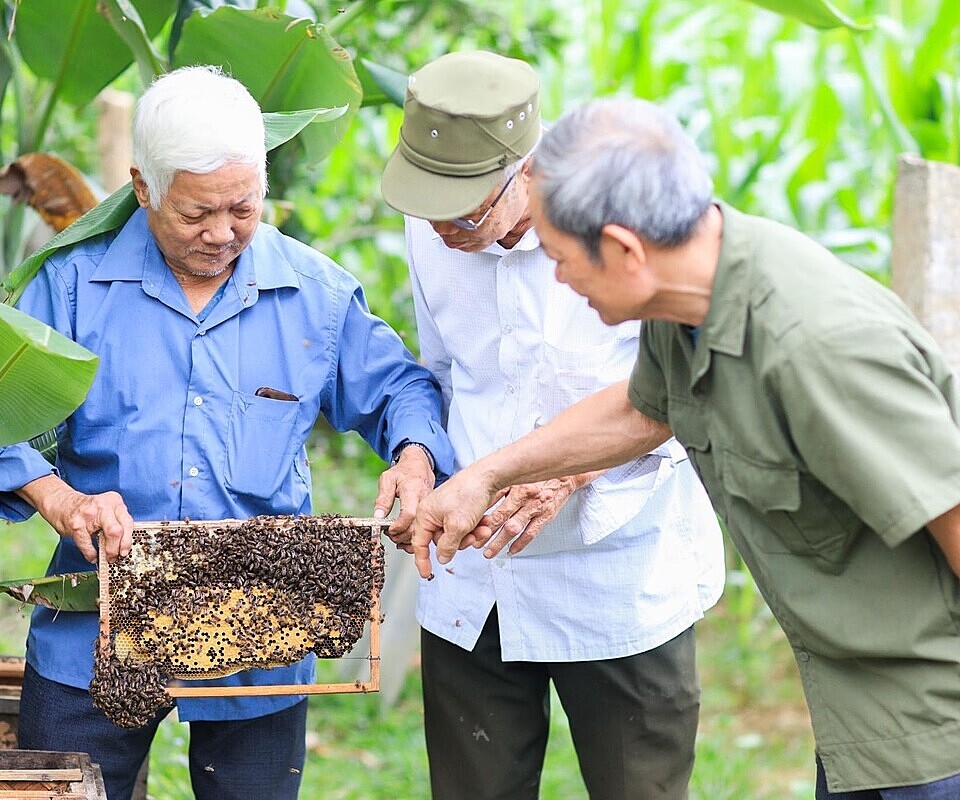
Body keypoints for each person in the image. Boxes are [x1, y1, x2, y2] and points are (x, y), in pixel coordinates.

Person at [409, 94, 960, 799]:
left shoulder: (816, 347)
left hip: (935, 732)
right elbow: (645, 406)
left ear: (624, 250)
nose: (556, 278)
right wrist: (484, 476)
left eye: (559, 257)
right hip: (861, 718)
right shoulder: (689, 299)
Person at [0, 65, 454, 800]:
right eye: (196, 214)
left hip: (264, 629)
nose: (221, 234)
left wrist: (414, 456)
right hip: (95, 623)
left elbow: (400, 389)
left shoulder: (315, 296)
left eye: (242, 209)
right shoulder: (70, 287)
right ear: (143, 187)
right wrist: (61, 499)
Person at [378, 51, 724, 800]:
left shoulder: (631, 219)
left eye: (466, 212)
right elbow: (442, 371)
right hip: (474, 574)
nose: (442, 230)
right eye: (429, 208)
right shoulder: (434, 226)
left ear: (528, 171)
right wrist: (420, 454)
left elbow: (682, 390)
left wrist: (567, 470)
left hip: (616, 575)